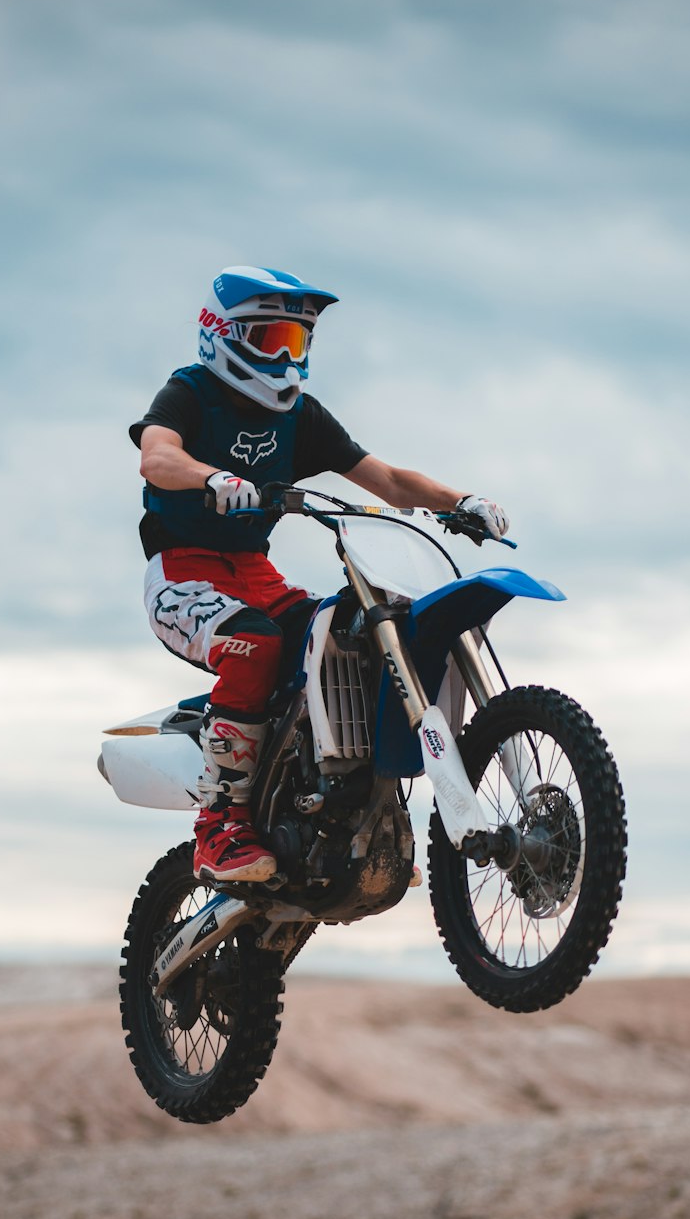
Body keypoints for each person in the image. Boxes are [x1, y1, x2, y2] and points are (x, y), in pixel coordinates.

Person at [130, 265, 509, 883]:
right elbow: (157, 455)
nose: (284, 355)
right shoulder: (191, 392)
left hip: (257, 575)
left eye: (295, 342)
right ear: (221, 333)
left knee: (349, 635)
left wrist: (459, 500)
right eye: (269, 337)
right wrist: (212, 478)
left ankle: (357, 810)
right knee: (253, 645)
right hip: (182, 576)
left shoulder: (299, 417)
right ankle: (218, 827)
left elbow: (385, 481)